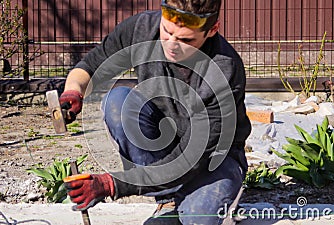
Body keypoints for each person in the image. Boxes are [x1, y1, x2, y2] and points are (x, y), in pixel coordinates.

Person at [59, 0, 251, 224]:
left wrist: (112, 184)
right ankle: (166, 199)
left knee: (197, 219)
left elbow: (191, 159)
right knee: (118, 103)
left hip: (212, 160)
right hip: (166, 139)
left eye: (186, 40)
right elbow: (92, 64)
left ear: (212, 30)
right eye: (167, 31)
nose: (172, 44)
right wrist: (73, 90)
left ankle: (223, 195)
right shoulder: (143, 29)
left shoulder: (224, 71)